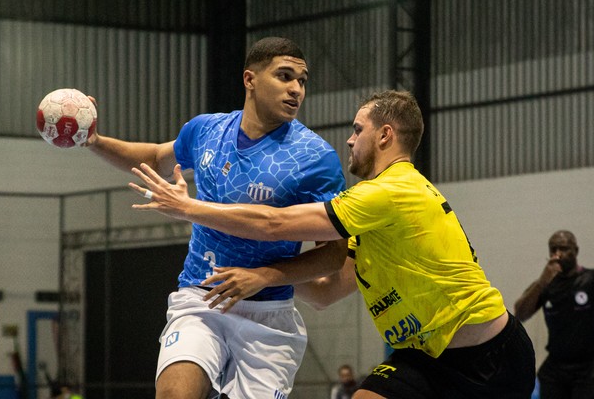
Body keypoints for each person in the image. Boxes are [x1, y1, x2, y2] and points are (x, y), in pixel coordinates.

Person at [129, 89, 536, 398]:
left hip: (491, 358)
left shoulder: (389, 192)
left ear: (385, 135)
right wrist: (261, 273)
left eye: (358, 130)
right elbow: (325, 292)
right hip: (423, 357)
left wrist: (189, 209)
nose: (348, 140)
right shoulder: (371, 216)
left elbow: (274, 223)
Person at [86, 36, 347, 398]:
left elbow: (334, 256)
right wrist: (94, 140)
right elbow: (156, 155)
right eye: (284, 76)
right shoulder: (206, 130)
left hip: (268, 315)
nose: (296, 90)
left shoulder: (315, 158)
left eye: (302, 81)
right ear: (250, 79)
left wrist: (265, 276)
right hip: (201, 299)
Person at [514, 230, 594, 399]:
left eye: (563, 248)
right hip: (556, 366)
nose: (557, 254)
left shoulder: (589, 280)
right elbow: (520, 313)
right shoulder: (546, 285)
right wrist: (542, 281)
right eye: (553, 249)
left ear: (576, 251)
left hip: (587, 367)